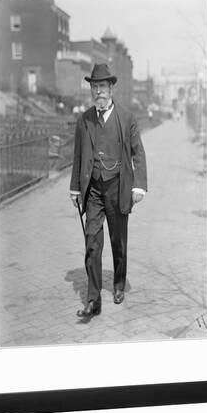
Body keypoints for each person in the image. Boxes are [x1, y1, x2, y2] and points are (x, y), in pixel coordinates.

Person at [70, 63, 147, 318]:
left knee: (118, 241)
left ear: (111, 88)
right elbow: (79, 155)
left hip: (117, 186)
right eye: (94, 87)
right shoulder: (85, 119)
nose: (98, 92)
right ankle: (93, 301)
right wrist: (75, 189)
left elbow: (138, 153)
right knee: (92, 242)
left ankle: (118, 284)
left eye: (102, 86)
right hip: (92, 190)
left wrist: (139, 186)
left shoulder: (127, 118)